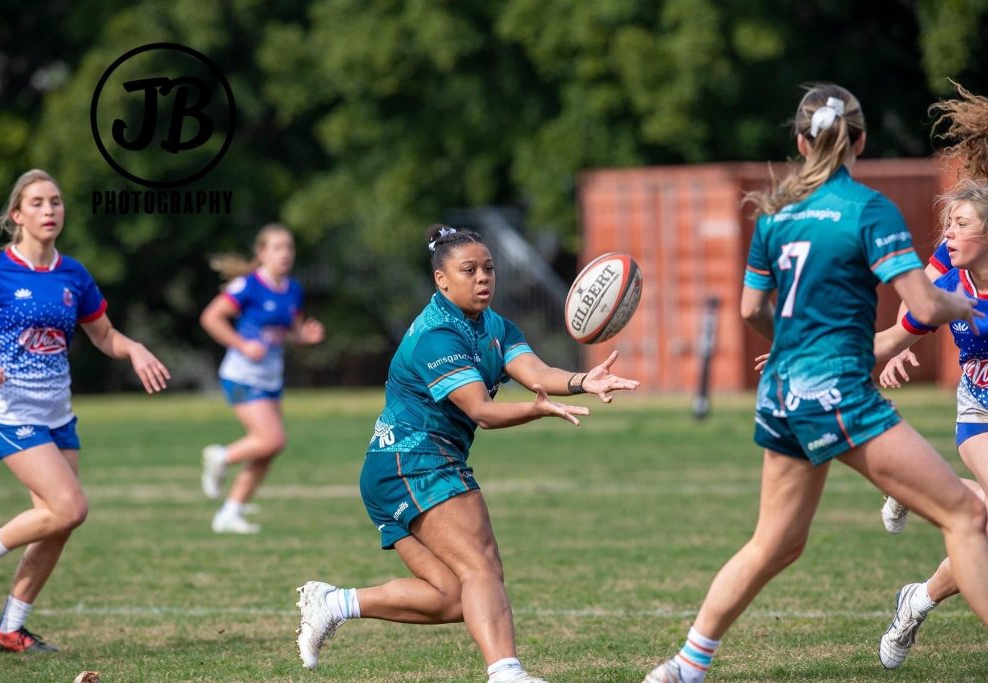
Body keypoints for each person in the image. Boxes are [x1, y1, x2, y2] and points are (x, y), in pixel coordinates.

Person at [643, 84, 988, 683]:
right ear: (859, 140)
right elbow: (923, 306)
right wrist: (961, 307)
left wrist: (798, 339)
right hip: (838, 394)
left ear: (801, 141)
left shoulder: (775, 211)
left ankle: (684, 666)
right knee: (966, 515)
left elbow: (753, 311)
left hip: (782, 393)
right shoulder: (867, 208)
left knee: (775, 544)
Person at [294, 225, 639, 683]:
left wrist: (582, 381)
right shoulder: (438, 335)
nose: (483, 279)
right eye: (469, 270)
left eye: (489, 269)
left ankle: (334, 603)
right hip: (414, 462)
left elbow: (533, 369)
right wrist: (537, 411)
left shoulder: (493, 325)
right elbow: (482, 410)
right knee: (482, 565)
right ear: (442, 280)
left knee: (455, 596)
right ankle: (507, 673)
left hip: (395, 469)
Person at [0, 169, 170, 653]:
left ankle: (10, 628)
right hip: (11, 412)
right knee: (70, 506)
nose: (49, 210)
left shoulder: (72, 274)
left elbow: (104, 335)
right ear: (17, 215)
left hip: (58, 414)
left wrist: (134, 348)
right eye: (36, 203)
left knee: (59, 520)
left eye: (55, 202)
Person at [871, 180, 988, 667]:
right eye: (948, 225)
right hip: (979, 412)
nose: (948, 235)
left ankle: (917, 601)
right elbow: (894, 334)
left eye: (961, 225)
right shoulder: (948, 286)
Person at [199, 223, 325, 534]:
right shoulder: (248, 286)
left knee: (268, 448)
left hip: (271, 377)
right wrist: (242, 345)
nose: (285, 254)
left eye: (289, 247)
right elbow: (211, 318)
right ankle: (221, 456)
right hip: (242, 375)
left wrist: (304, 336)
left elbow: (289, 330)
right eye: (277, 247)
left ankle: (231, 512)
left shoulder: (292, 288)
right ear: (262, 253)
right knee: (272, 439)